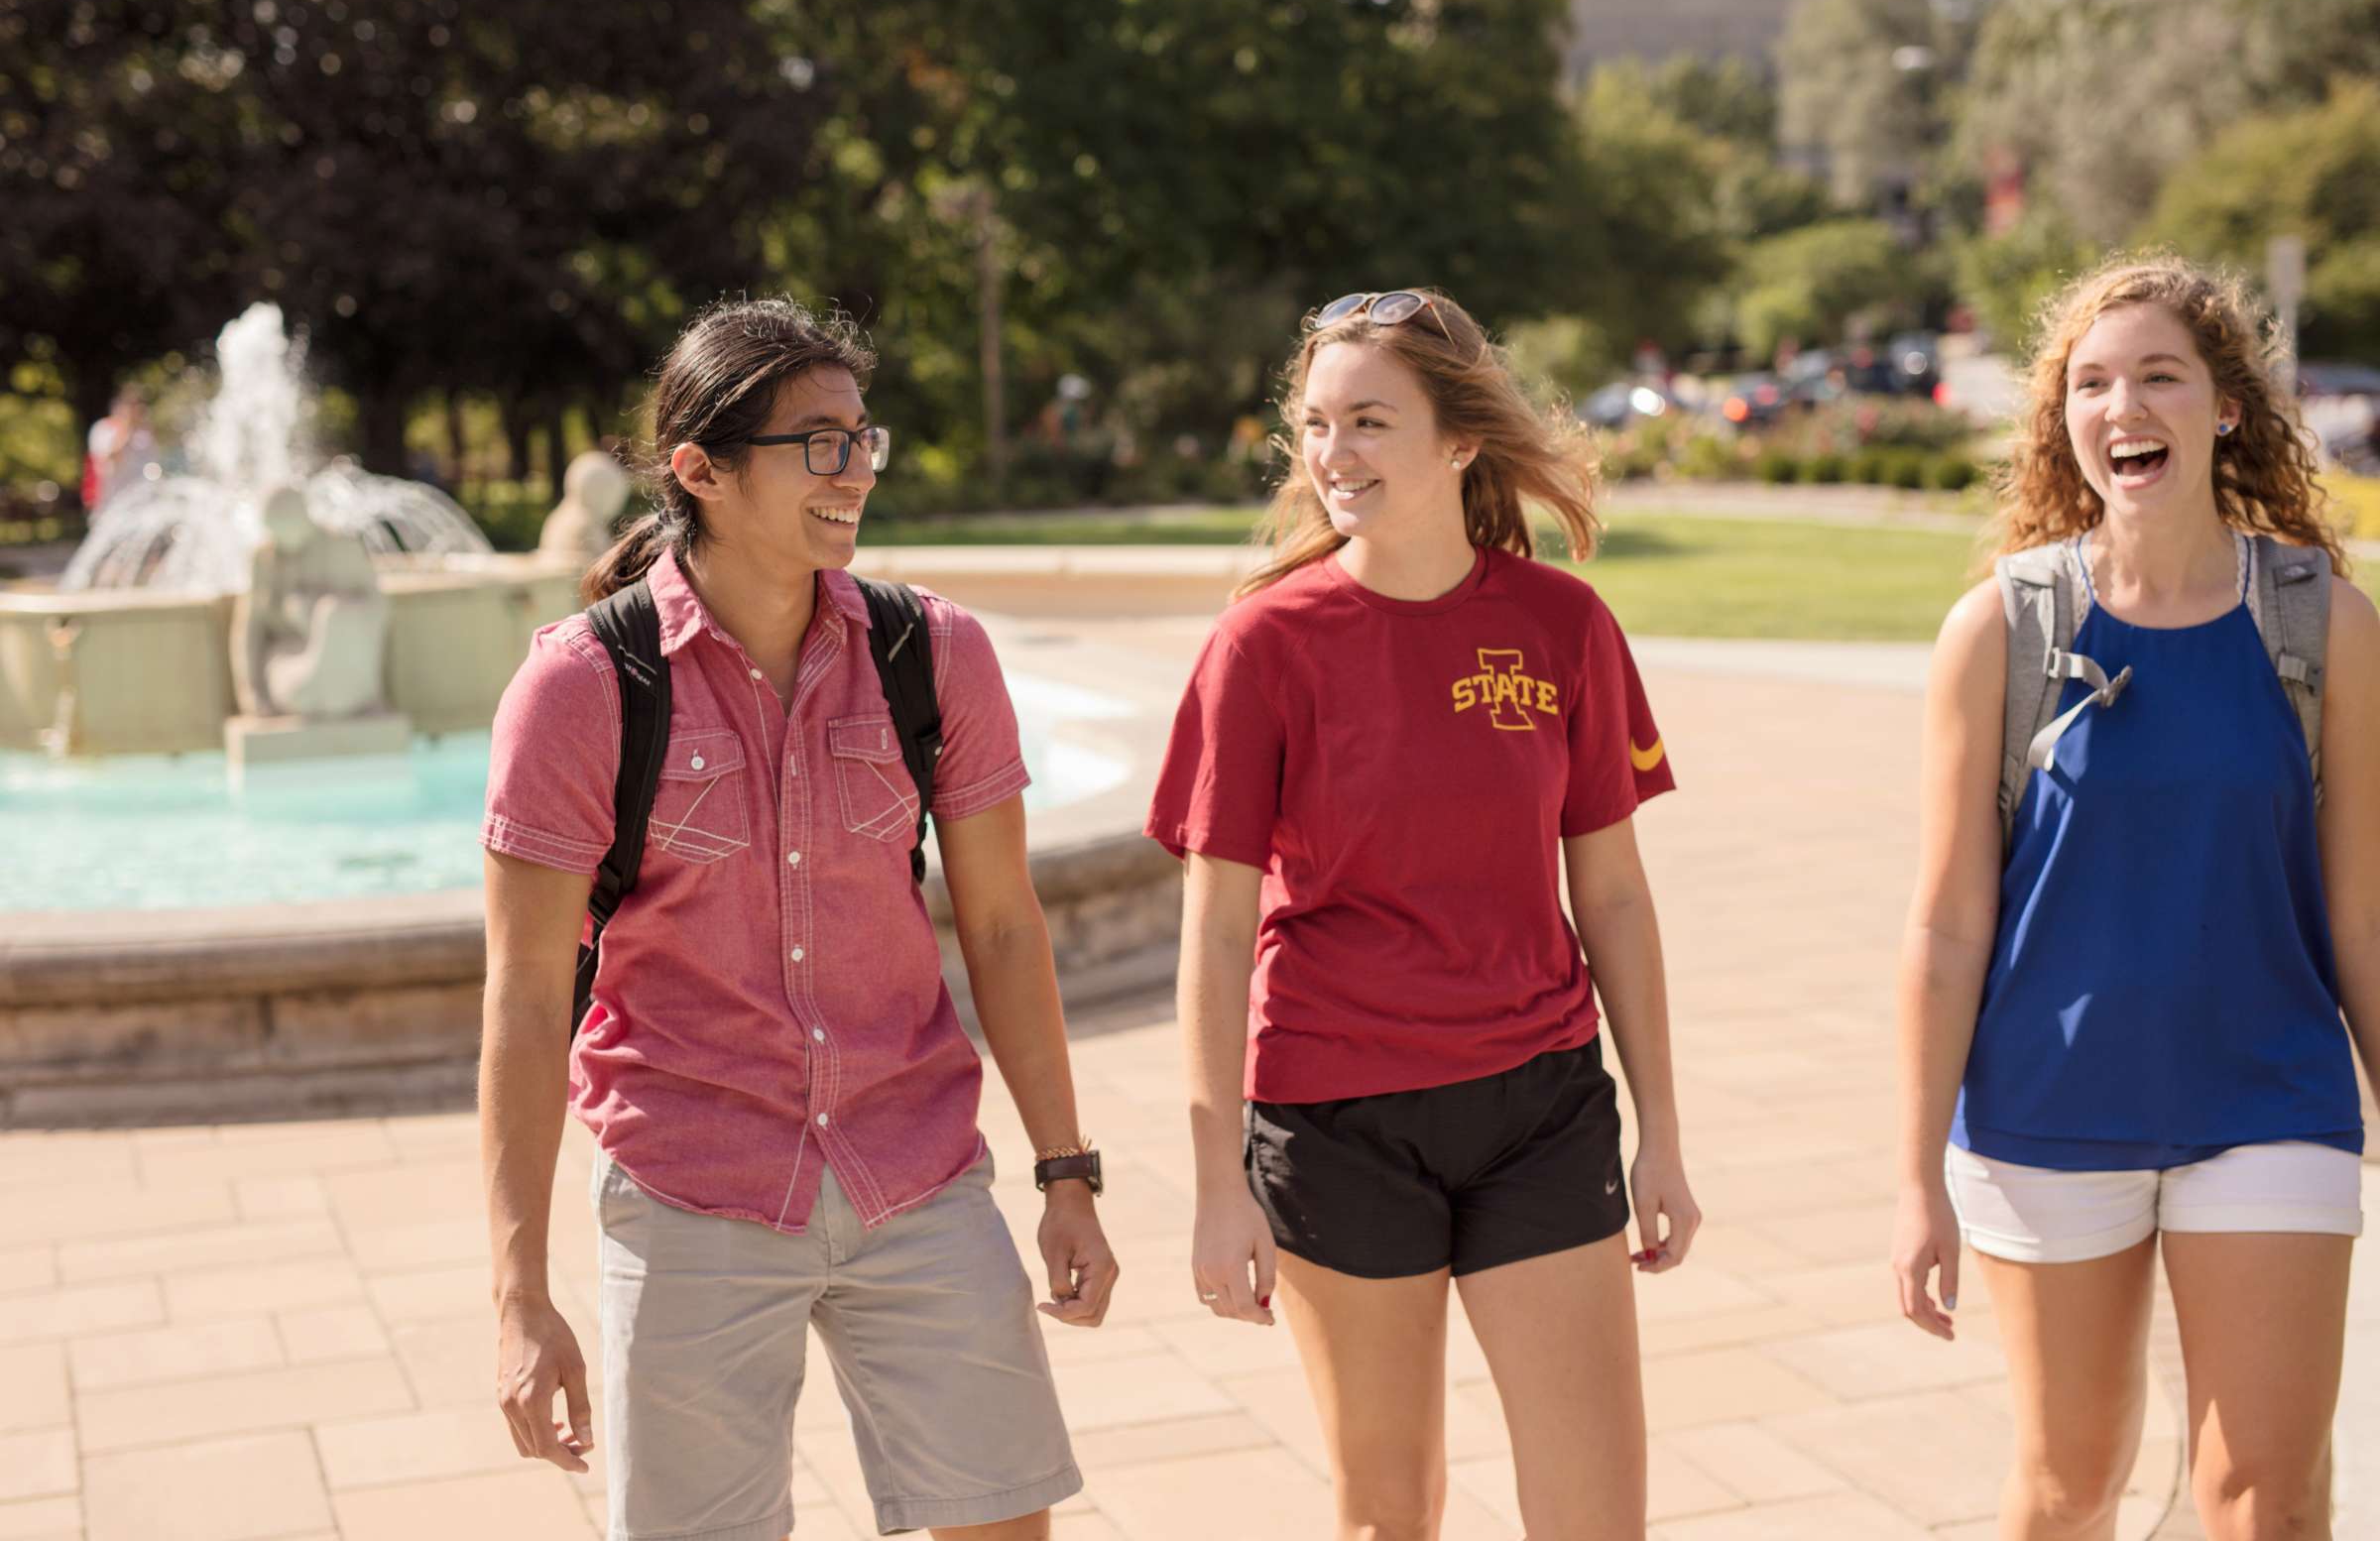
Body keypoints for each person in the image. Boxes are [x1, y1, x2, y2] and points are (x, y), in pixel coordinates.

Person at [478, 297, 1118, 1541]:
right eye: (819, 443)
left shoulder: (934, 654)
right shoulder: (581, 686)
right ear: (701, 471)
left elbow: (1002, 931)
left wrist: (1065, 1171)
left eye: (863, 438)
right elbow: (524, 996)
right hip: (688, 1189)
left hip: (917, 1174)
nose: (856, 471)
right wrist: (518, 1292)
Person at [1146, 288, 1700, 1541]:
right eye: (1316, 424)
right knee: (1389, 1517)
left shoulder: (1563, 626)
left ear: (1459, 441)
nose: (1334, 454)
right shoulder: (1263, 646)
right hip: (1337, 1119)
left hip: (1539, 1107)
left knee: (1597, 1516)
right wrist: (1213, 1179)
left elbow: (1610, 891)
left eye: (1369, 422)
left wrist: (1660, 1129)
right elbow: (1217, 931)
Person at [1891, 255, 2377, 1541]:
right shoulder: (2000, 630)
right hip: (2049, 1118)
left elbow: (2365, 916)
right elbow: (1944, 930)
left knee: (2263, 1496)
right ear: (2064, 420)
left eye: (2161, 376)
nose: (2124, 407)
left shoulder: (2326, 624)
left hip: (2271, 1101)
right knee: (2069, 1486)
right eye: (2092, 384)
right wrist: (1912, 1180)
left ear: (2225, 407)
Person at [82, 386, 160, 512]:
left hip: (141, 504)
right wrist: (126, 428)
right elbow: (108, 461)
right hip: (110, 506)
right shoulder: (103, 429)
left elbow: (153, 467)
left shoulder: (144, 434)